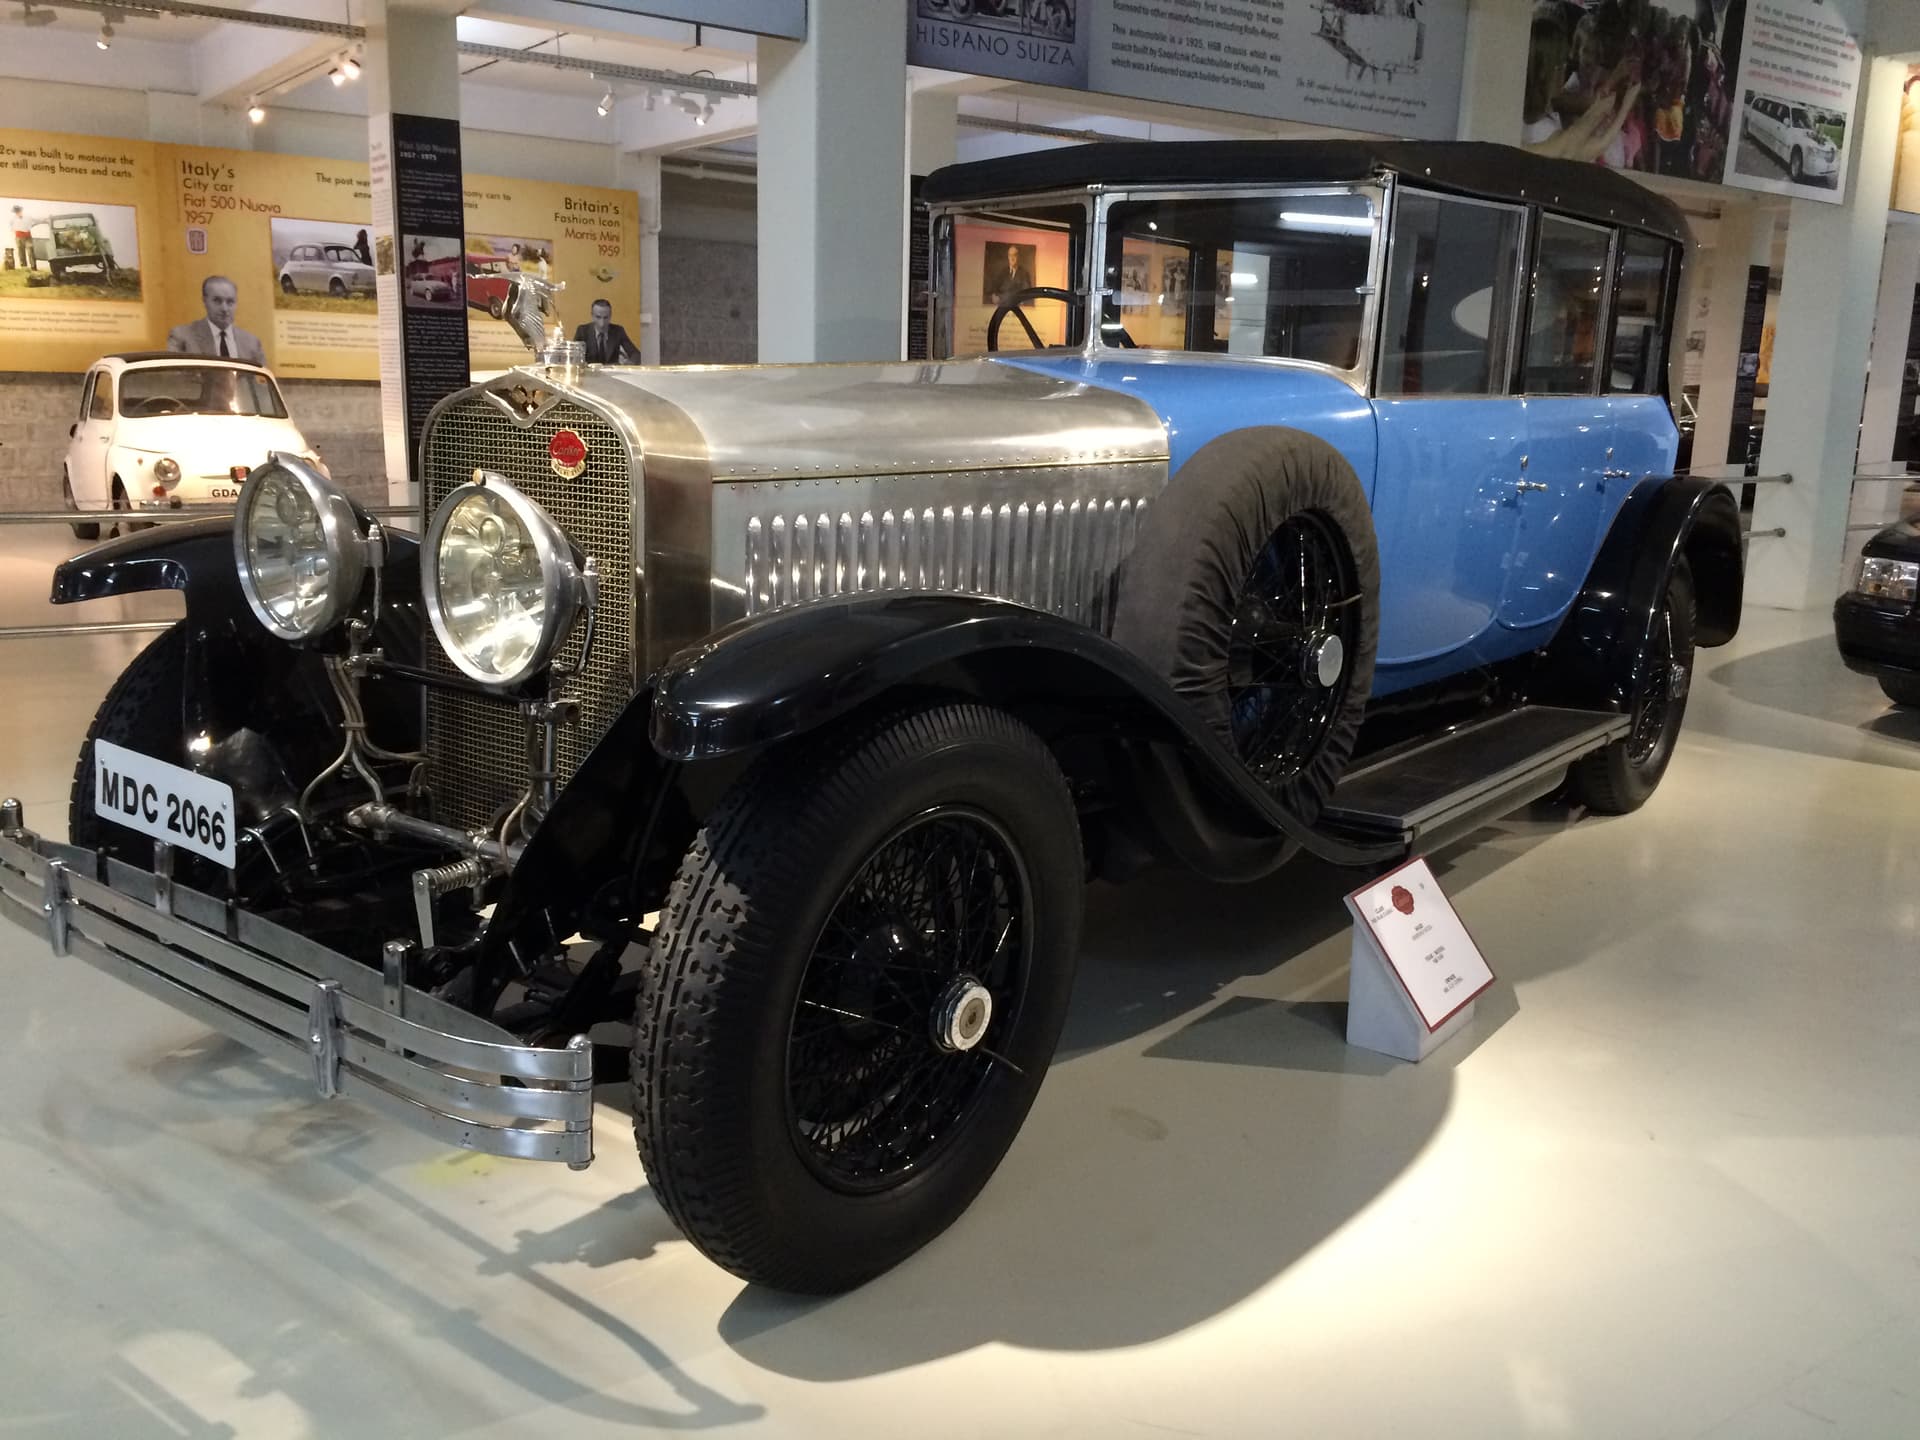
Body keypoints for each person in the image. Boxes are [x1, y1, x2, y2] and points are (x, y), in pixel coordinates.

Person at [166, 275, 266, 366]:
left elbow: (261, 383)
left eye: (230, 302)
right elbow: (175, 379)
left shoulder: (252, 343)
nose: (224, 309)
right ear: (205, 301)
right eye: (217, 301)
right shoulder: (182, 337)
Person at [573, 297, 637, 364]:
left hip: (612, 372)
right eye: (598, 317)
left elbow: (635, 354)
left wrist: (628, 363)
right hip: (590, 373)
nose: (602, 323)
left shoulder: (618, 331)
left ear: (610, 316)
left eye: (606, 318)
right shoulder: (582, 331)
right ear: (592, 316)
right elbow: (574, 355)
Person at [11, 205, 35, 273]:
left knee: (30, 251)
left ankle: (33, 267)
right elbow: (11, 228)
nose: (18, 212)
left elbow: (34, 222)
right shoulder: (13, 219)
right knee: (21, 253)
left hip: (27, 236)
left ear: (21, 210)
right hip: (19, 237)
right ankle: (24, 268)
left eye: (18, 210)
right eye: (16, 211)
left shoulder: (27, 217)